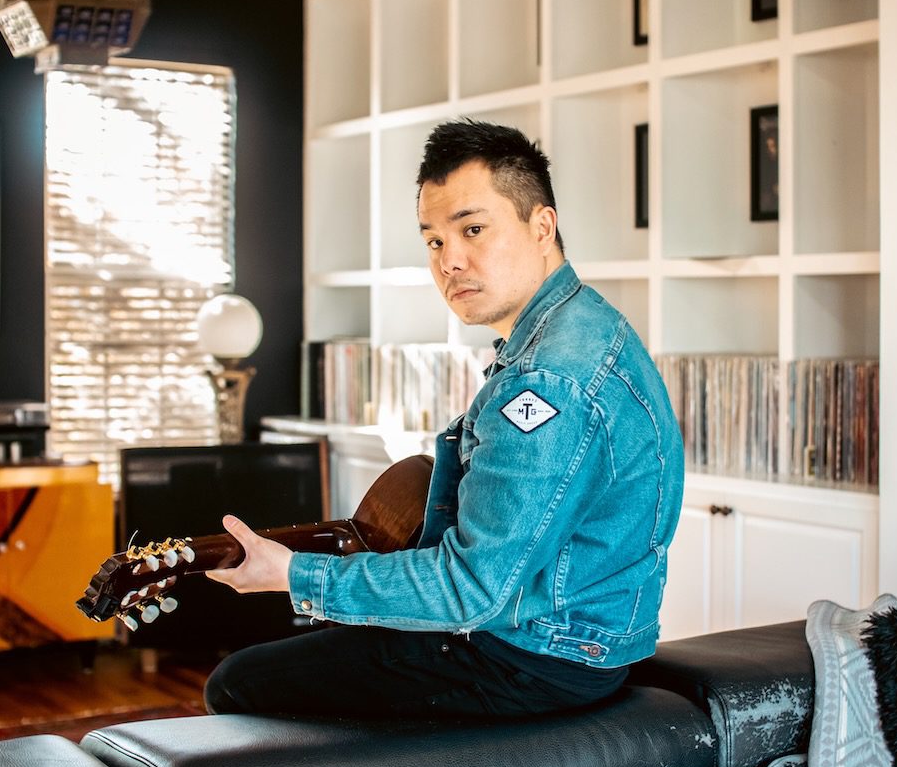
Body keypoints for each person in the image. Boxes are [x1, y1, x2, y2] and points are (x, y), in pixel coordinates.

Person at [203, 118, 684, 718]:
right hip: (584, 636)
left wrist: (299, 576)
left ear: (542, 226)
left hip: (539, 655)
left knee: (237, 682)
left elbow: (471, 589)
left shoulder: (547, 381)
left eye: (474, 230)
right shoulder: (587, 324)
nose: (449, 261)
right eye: (433, 241)